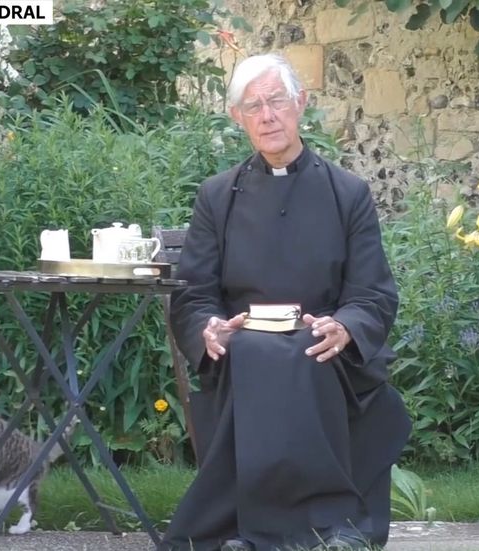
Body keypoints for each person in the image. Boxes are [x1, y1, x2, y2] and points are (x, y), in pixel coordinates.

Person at [161, 53, 412, 551]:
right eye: (253, 105)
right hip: (244, 349)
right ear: (237, 118)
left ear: (301, 103)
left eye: (277, 100)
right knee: (257, 353)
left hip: (326, 348)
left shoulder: (348, 193)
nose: (267, 114)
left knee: (303, 353)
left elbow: (372, 292)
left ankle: (262, 532)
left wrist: (346, 326)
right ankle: (304, 530)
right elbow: (193, 294)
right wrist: (209, 328)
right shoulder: (217, 196)